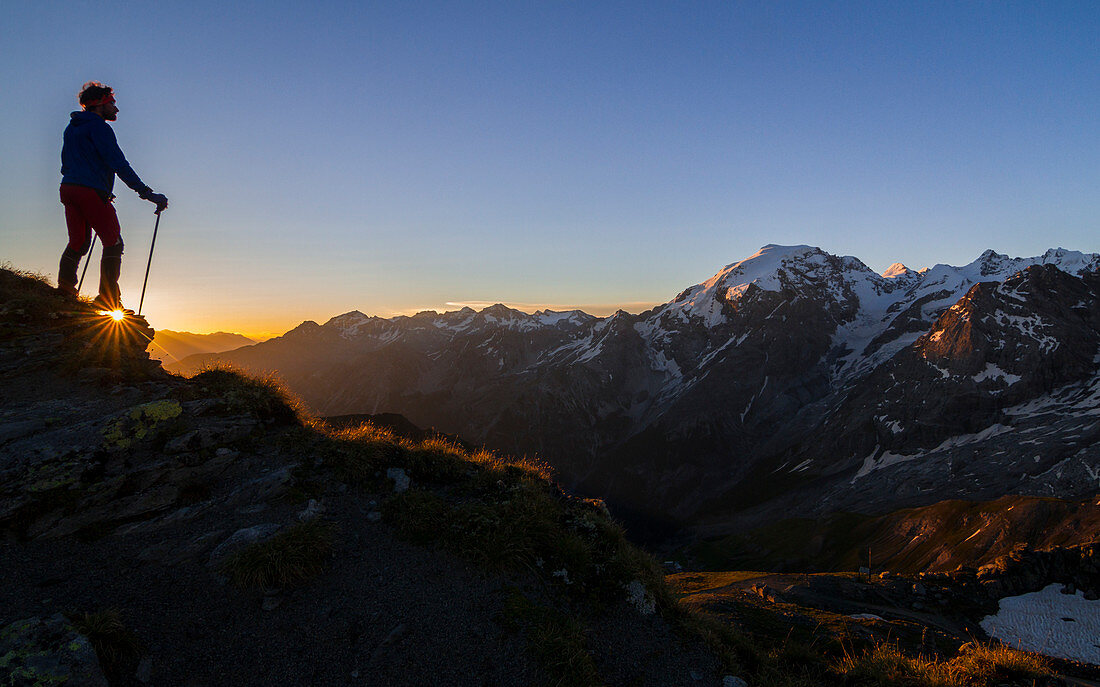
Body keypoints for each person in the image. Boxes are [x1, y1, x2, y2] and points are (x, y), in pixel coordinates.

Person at [57, 81, 168, 312]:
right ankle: (107, 299)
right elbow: (118, 163)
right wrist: (146, 193)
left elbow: (66, 162)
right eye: (112, 103)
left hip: (69, 188)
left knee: (79, 242)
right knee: (113, 242)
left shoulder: (72, 127)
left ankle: (65, 289)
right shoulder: (99, 127)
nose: (116, 109)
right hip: (90, 190)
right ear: (99, 104)